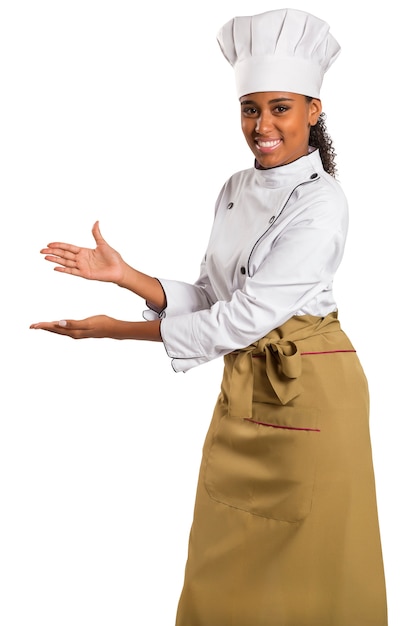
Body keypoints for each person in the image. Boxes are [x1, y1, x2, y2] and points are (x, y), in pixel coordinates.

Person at [30, 8, 388, 626]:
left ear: (314, 110)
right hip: (247, 391)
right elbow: (211, 296)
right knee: (222, 564)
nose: (263, 125)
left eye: (281, 107)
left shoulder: (323, 203)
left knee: (314, 571)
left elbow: (241, 320)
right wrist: (125, 276)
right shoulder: (232, 188)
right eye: (251, 108)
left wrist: (116, 330)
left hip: (311, 392)